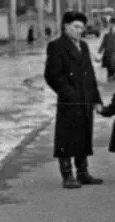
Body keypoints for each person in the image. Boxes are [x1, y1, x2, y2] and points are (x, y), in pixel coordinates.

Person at [44, 11, 104, 189]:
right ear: (65, 27)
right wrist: (68, 93)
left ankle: (83, 173)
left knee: (84, 135)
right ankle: (67, 175)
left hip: (85, 99)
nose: (80, 30)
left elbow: (90, 75)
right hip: (70, 101)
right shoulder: (57, 46)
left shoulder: (83, 46)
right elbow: (51, 75)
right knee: (67, 138)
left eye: (81, 27)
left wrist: (96, 99)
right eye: (76, 27)